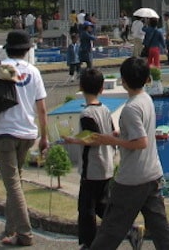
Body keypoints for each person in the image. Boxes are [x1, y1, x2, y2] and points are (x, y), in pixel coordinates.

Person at [88, 57, 169, 249]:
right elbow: (142, 131)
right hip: (152, 172)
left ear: (124, 81)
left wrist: (108, 140)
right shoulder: (146, 99)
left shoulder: (131, 108)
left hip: (133, 179)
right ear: (146, 80)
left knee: (111, 228)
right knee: (159, 226)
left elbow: (140, 141)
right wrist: (121, 133)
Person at [62, 69, 146, 250]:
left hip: (92, 168)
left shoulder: (87, 114)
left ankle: (90, 244)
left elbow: (93, 139)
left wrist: (72, 140)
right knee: (102, 206)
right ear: (101, 88)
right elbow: (112, 133)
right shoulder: (105, 109)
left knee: (86, 209)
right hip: (106, 165)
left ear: (81, 87)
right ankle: (130, 229)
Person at [0, 30, 49, 247]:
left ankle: (25, 234)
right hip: (27, 132)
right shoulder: (34, 72)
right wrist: (44, 137)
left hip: (5, 131)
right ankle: (11, 228)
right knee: (15, 182)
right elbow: (42, 109)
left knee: (13, 184)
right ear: (27, 50)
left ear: (8, 48)